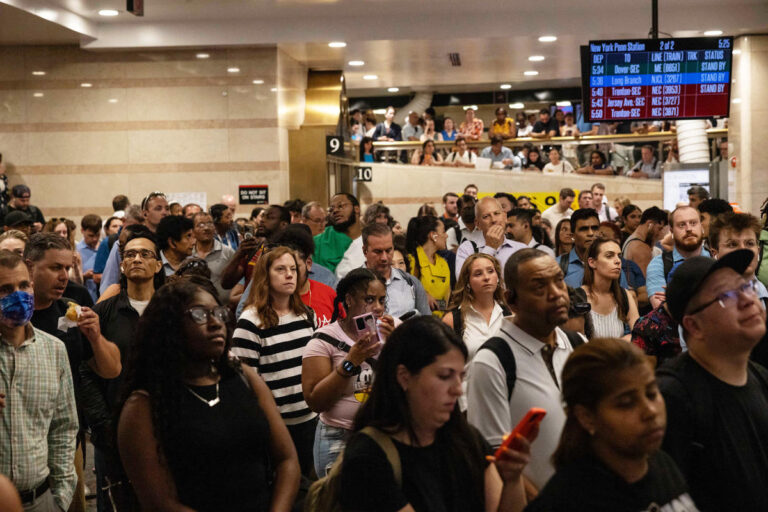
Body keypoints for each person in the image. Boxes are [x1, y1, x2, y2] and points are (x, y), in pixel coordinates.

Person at [118, 277, 300, 511]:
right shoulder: (143, 405)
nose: (216, 323)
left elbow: (287, 460)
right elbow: (160, 504)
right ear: (170, 327)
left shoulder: (243, 377)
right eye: (200, 315)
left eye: (219, 313)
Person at [339, 316, 533, 512]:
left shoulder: (465, 439)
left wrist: (512, 479)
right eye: (444, 376)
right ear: (404, 377)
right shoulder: (368, 456)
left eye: (461, 376)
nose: (458, 389)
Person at [525, 338, 698, 512]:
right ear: (586, 417)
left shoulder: (662, 464)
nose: (650, 411)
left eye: (652, 394)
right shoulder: (565, 501)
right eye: (626, 403)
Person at [658, 250, 768, 511]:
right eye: (726, 296)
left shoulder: (761, 378)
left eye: (746, 286)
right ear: (694, 326)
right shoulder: (671, 398)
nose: (748, 300)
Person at [467, 249, 585, 491]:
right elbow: (496, 460)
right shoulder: (492, 361)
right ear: (512, 300)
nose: (556, 294)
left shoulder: (578, 345)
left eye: (559, 281)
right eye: (539, 287)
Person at [81, 226, 164, 512]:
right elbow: (86, 371)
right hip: (113, 432)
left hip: (166, 427)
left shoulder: (172, 311)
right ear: (122, 263)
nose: (137, 259)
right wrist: (102, 425)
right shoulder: (104, 311)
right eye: (130, 254)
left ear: (158, 263)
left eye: (145, 254)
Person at [0, 250, 79, 512]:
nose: (18, 296)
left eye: (23, 285)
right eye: (5, 289)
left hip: (42, 499)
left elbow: (64, 427)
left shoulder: (54, 350)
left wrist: (60, 497)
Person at [231, 246, 318, 477]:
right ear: (265, 276)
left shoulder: (306, 314)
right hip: (276, 426)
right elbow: (245, 383)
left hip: (309, 419)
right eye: (280, 269)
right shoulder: (250, 322)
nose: (290, 274)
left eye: (293, 269)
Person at [302, 269, 396, 477]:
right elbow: (315, 402)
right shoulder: (323, 340)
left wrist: (396, 346)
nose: (378, 308)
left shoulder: (392, 329)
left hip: (382, 434)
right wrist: (351, 361)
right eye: (369, 299)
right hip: (338, 436)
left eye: (382, 300)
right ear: (349, 300)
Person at [443, 253, 510, 407]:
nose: (486, 277)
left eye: (490, 271)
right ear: (467, 282)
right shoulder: (453, 319)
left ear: (498, 277)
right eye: (478, 274)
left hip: (505, 400)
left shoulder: (511, 316)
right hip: (467, 403)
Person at [708, 212, 768, 367]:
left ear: (758, 251)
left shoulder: (765, 299)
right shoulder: (704, 304)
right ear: (714, 253)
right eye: (732, 245)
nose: (744, 251)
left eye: (749, 244)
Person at [100, 191, 169, 295]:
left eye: (167, 209)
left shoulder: (173, 243)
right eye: (158, 208)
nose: (164, 212)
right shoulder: (125, 243)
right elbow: (108, 283)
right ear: (145, 213)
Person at [362, 223, 430, 319]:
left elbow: (427, 324)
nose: (384, 258)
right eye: (378, 251)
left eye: (389, 250)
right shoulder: (351, 285)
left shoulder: (411, 282)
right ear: (365, 251)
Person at [646, 206, 709, 309]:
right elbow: (660, 308)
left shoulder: (716, 260)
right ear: (672, 231)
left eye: (693, 223)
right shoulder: (658, 264)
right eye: (681, 225)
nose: (688, 229)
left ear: (701, 227)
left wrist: (675, 296)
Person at [582, 238, 639, 340]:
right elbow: (575, 342)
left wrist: (626, 340)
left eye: (619, 256)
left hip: (618, 355)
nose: (618, 261)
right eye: (609, 256)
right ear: (592, 262)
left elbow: (639, 334)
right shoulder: (579, 297)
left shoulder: (624, 295)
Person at [456, 197, 527, 275]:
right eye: (486, 216)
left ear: (505, 217)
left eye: (496, 213)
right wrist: (490, 248)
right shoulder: (467, 249)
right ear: (477, 224)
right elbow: (462, 281)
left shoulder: (521, 249)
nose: (493, 220)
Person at [558, 208, 627, 289]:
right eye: (584, 229)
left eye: (594, 228)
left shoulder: (613, 265)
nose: (590, 233)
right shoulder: (559, 265)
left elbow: (624, 298)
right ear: (573, 236)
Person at [406, 216, 451, 317]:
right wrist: (422, 296)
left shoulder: (443, 263)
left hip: (440, 322)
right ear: (433, 235)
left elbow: (446, 301)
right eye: (443, 231)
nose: (446, 236)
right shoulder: (410, 261)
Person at [191, 211, 235, 303]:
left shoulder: (228, 252)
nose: (206, 228)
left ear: (214, 228)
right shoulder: (188, 253)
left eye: (210, 224)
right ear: (193, 231)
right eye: (200, 225)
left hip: (222, 306)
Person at [314, 193, 362, 273]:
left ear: (356, 209)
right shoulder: (318, 242)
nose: (335, 211)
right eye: (331, 209)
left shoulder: (369, 241)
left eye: (341, 206)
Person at [622, 206, 668, 277]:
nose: (659, 233)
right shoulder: (641, 248)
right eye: (659, 228)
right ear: (650, 224)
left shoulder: (631, 240)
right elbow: (646, 284)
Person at [77, 214, 103, 302]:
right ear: (82, 231)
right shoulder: (77, 250)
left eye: (97, 235)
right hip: (84, 299)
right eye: (91, 236)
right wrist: (84, 277)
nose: (95, 239)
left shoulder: (105, 248)